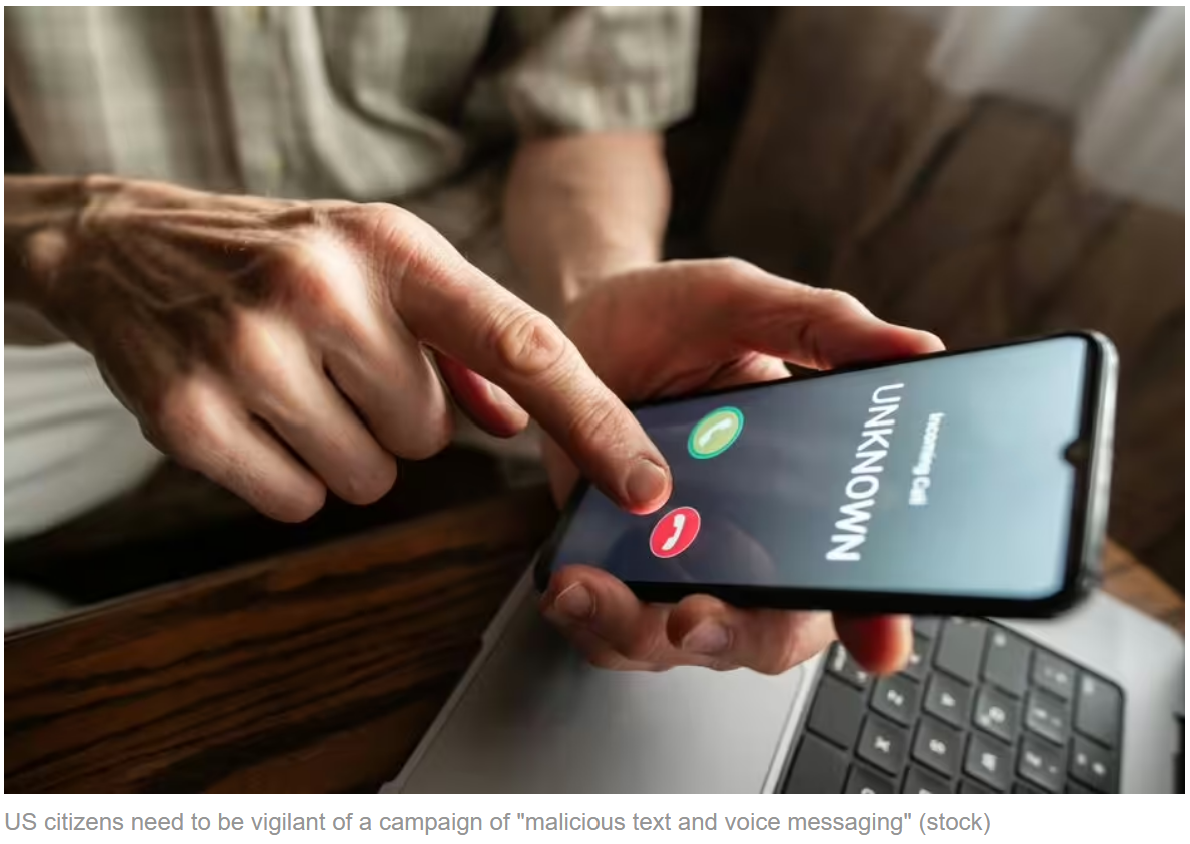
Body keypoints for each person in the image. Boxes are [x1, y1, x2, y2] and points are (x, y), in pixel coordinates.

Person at [4, 8, 940, 674]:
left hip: (457, 266)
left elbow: (587, 118)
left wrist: (592, 291)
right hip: (60, 302)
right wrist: (74, 234)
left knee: (720, 549)